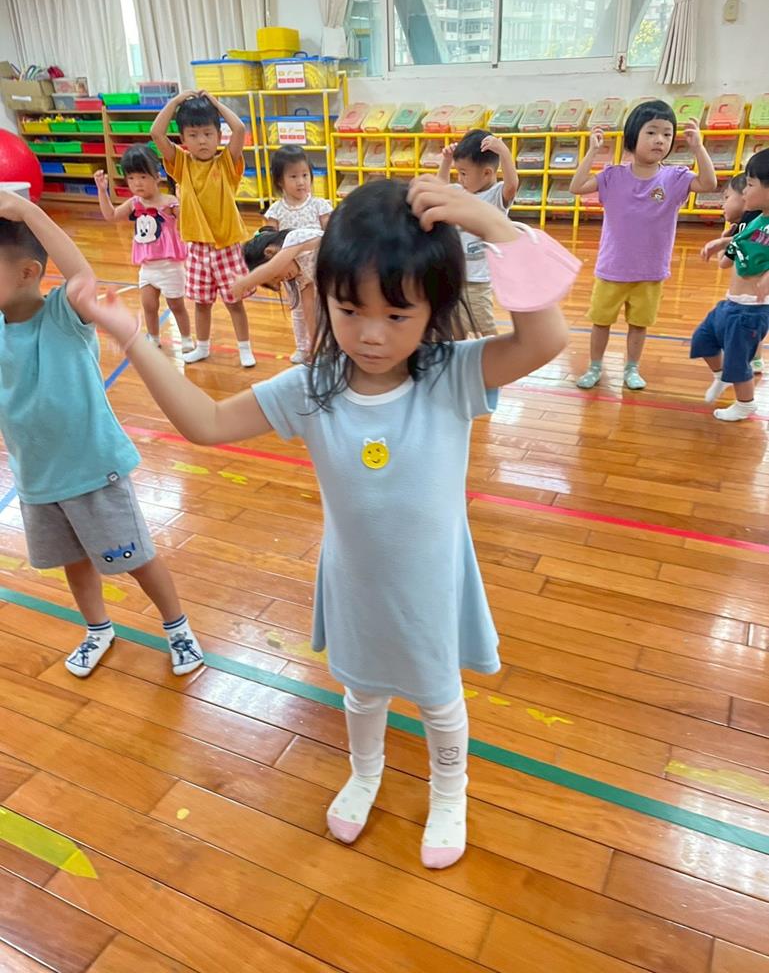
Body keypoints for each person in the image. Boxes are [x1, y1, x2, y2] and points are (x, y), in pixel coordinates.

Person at [67, 176, 571, 870]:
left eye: (397, 315)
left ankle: (449, 788)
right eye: (349, 309)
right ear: (324, 296)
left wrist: (495, 226)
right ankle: (365, 772)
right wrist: (130, 334)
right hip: (354, 582)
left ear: (434, 308)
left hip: (430, 584)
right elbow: (205, 422)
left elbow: (546, 337)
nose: (371, 334)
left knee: (437, 697)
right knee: (361, 690)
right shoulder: (312, 387)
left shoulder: (451, 374)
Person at [0, 191, 203, 678]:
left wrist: (27, 211)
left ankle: (177, 627)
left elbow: (80, 276)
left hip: (93, 471)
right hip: (37, 479)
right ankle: (97, 628)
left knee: (136, 557)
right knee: (74, 561)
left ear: (28, 273)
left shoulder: (64, 316)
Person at [570, 100, 717, 390]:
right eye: (651, 132)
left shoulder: (675, 177)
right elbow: (576, 187)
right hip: (612, 269)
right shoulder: (612, 176)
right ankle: (595, 366)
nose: (660, 139)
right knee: (601, 321)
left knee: (639, 324)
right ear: (633, 136)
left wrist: (699, 148)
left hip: (650, 271)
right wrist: (592, 152)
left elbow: (709, 184)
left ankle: (632, 368)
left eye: (667, 134)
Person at [150, 90, 255, 368]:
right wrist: (174, 102)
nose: (202, 141)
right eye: (193, 135)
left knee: (234, 302)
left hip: (227, 246)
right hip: (197, 247)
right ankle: (203, 347)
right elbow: (156, 133)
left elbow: (239, 129)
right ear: (183, 139)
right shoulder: (181, 164)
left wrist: (216, 104)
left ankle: (245, 348)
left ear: (218, 136)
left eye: (208, 134)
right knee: (201, 303)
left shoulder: (226, 163)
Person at [691, 150, 769, 420]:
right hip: (731, 303)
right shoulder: (759, 219)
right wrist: (722, 242)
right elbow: (744, 240)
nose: (745, 191)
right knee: (703, 339)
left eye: (751, 184)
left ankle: (745, 403)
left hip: (751, 311)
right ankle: (721, 375)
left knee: (738, 360)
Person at [93, 145, 193, 351]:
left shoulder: (169, 202)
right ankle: (153, 338)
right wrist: (102, 191)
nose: (137, 183)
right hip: (147, 267)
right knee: (149, 305)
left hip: (170, 266)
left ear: (157, 176)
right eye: (131, 178)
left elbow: (187, 223)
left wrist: (182, 200)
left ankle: (186, 338)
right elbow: (111, 215)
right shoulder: (134, 203)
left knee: (176, 306)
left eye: (142, 177)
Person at [437, 128, 519, 337]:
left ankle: (496, 354)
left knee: (485, 327)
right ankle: (458, 352)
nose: (460, 179)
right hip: (454, 275)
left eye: (464, 173)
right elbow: (439, 190)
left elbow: (512, 186)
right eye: (458, 173)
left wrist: (504, 152)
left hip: (478, 280)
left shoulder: (495, 196)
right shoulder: (459, 192)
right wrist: (446, 161)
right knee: (453, 325)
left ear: (487, 173)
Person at [699, 172, 764, 375]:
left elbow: (724, 263)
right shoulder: (754, 222)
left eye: (727, 197)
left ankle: (745, 365)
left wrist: (722, 241)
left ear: (744, 195)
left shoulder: (748, 223)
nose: (723, 204)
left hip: (749, 300)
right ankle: (755, 358)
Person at [239, 227, 322, 363]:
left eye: (276, 276)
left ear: (271, 252)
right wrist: (315, 346)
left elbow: (271, 268)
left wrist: (245, 283)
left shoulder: (295, 239)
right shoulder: (301, 275)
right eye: (280, 281)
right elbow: (309, 311)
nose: (284, 279)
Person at [261, 146, 332, 232]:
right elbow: (270, 237)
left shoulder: (320, 206)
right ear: (280, 181)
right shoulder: (275, 211)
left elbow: (329, 234)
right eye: (293, 176)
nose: (301, 182)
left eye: (305, 175)